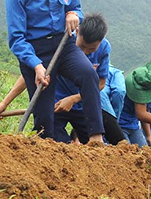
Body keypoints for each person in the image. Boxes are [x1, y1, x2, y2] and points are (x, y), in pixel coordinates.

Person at [4, 0, 104, 142]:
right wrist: (36, 66)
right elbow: (16, 39)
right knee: (44, 117)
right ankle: (45, 148)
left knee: (88, 74)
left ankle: (96, 137)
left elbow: (76, 8)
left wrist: (73, 15)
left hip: (63, 45)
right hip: (35, 52)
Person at [52, 14, 125, 144]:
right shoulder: (64, 41)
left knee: (101, 143)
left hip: (84, 104)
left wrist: (74, 99)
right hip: (58, 103)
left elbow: (101, 83)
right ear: (77, 31)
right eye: (82, 46)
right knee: (56, 143)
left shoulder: (104, 48)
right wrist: (5, 103)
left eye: (91, 49)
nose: (85, 52)